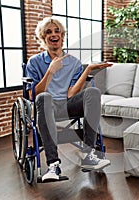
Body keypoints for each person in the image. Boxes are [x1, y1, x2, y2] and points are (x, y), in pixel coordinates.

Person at [25, 17, 112, 182]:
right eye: (48, 32)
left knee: (93, 92)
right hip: (45, 108)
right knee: (44, 97)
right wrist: (50, 71)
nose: (53, 34)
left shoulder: (74, 62)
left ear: (62, 36)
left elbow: (71, 94)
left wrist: (88, 70)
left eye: (57, 31)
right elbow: (32, 96)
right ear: (43, 38)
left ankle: (88, 155)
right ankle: (53, 165)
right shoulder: (34, 62)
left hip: (67, 105)